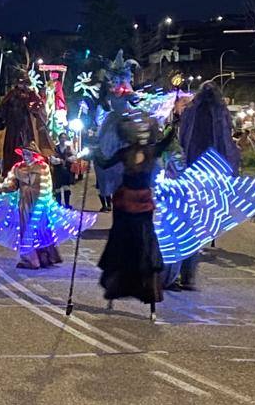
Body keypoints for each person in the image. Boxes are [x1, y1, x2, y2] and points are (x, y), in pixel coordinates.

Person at [94, 114, 174, 319]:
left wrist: (176, 122)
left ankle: (147, 296)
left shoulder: (150, 151)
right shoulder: (128, 152)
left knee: (144, 248)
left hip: (141, 206)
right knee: (124, 246)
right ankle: (116, 290)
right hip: (125, 205)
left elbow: (167, 140)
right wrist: (94, 150)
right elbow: (104, 163)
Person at [51, 133, 76, 207]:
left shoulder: (69, 148)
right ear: (59, 139)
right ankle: (58, 204)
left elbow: (74, 156)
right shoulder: (55, 148)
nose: (63, 139)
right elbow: (52, 158)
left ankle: (67, 204)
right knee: (57, 188)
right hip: (57, 171)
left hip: (66, 171)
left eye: (64, 138)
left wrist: (69, 159)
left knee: (66, 187)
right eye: (61, 137)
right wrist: (59, 161)